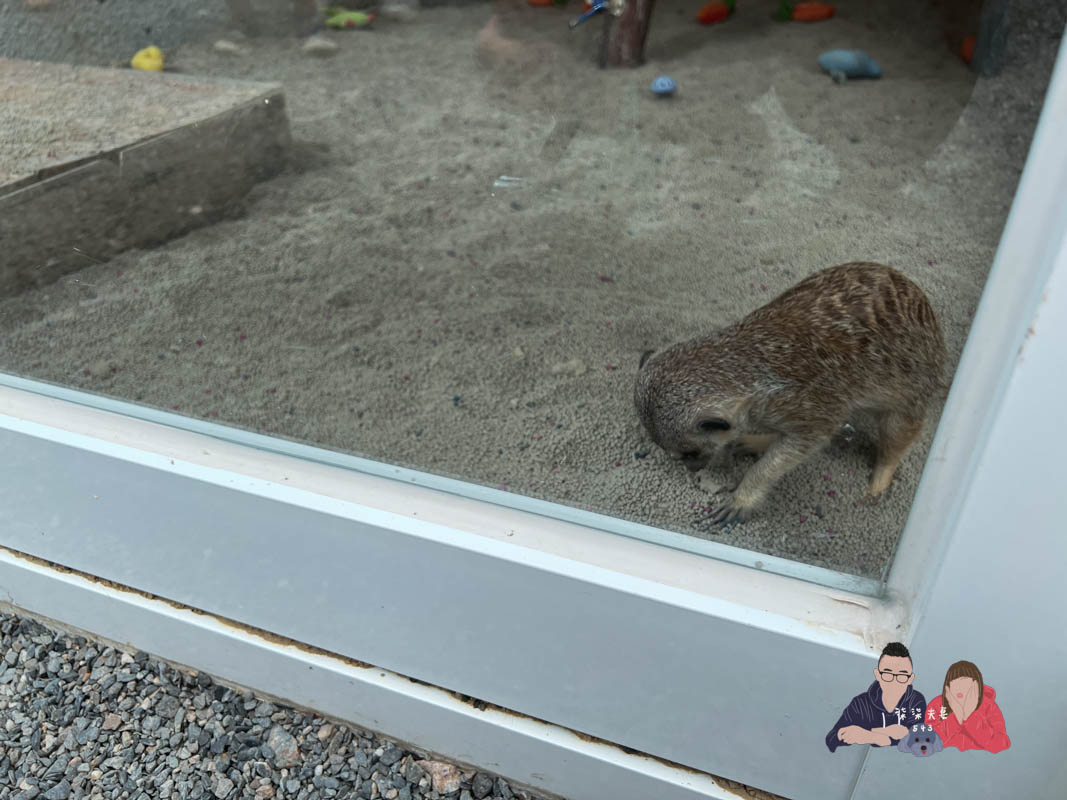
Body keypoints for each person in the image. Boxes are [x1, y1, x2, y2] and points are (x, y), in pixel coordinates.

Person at [826, 642, 927, 752]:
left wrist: (873, 735)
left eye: (902, 675)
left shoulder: (916, 701)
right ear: (878, 675)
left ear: (910, 679)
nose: (894, 681)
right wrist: (877, 736)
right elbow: (831, 739)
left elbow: (921, 741)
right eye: (887, 674)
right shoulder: (861, 703)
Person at [925, 660, 1010, 752]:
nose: (958, 688)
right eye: (953, 682)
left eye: (964, 682)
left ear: (976, 685)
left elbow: (1000, 744)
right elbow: (926, 742)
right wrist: (956, 717)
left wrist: (970, 716)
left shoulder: (989, 706)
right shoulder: (937, 705)